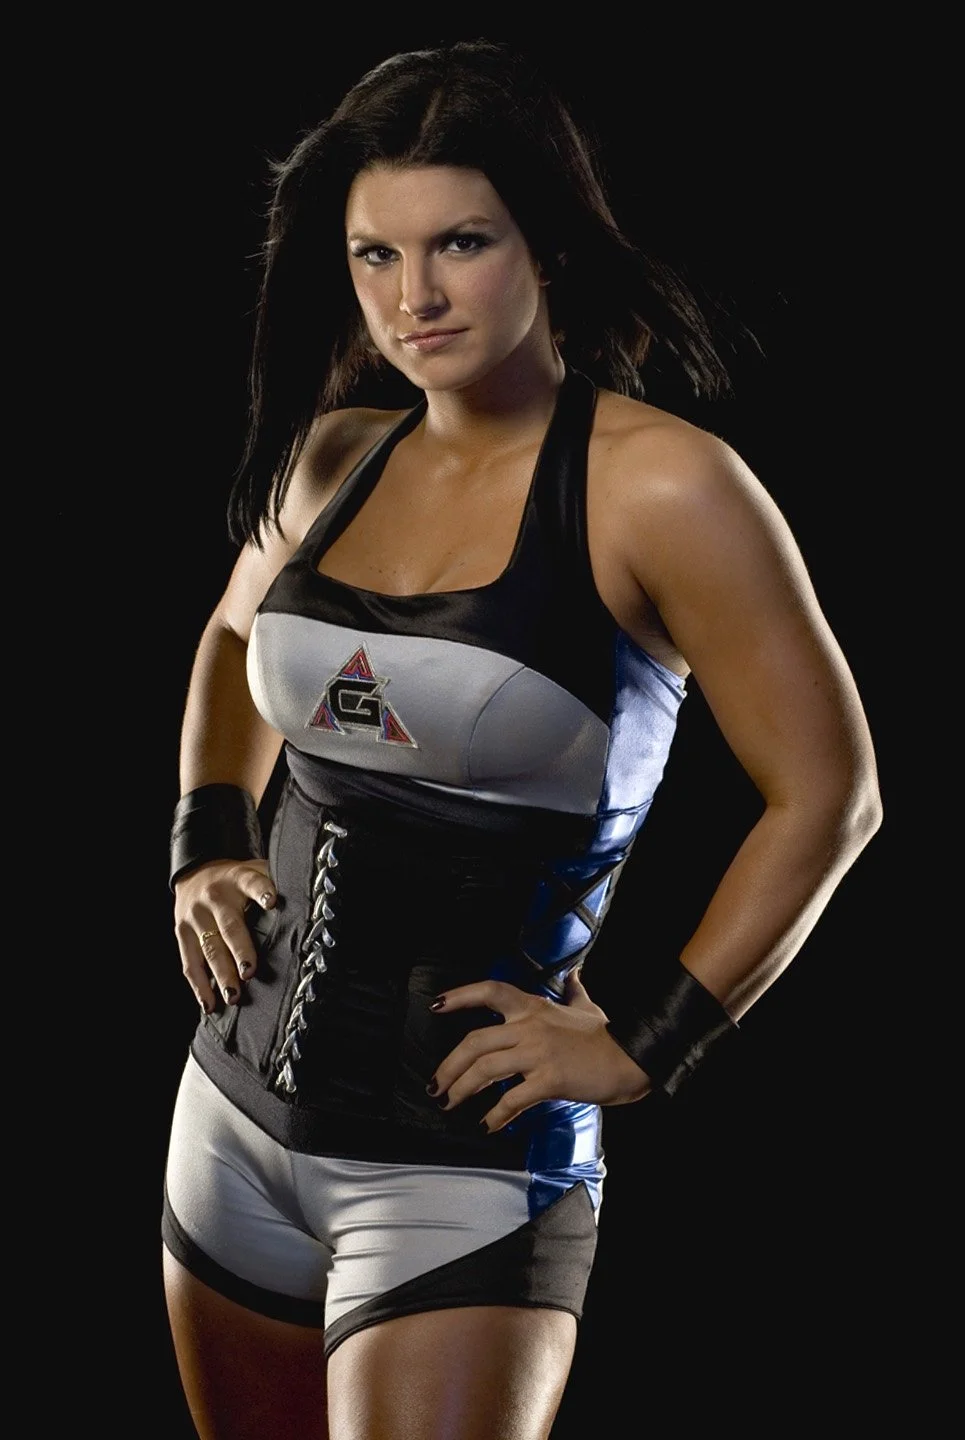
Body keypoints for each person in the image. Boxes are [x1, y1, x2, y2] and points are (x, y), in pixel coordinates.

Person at [160, 37, 882, 1440]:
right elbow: (233, 642)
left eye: (461, 243)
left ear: (545, 241)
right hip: (227, 1126)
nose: (414, 298)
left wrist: (647, 1043)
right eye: (375, 256)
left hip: (460, 1173)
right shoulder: (332, 454)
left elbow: (830, 792)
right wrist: (206, 838)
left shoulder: (662, 487)